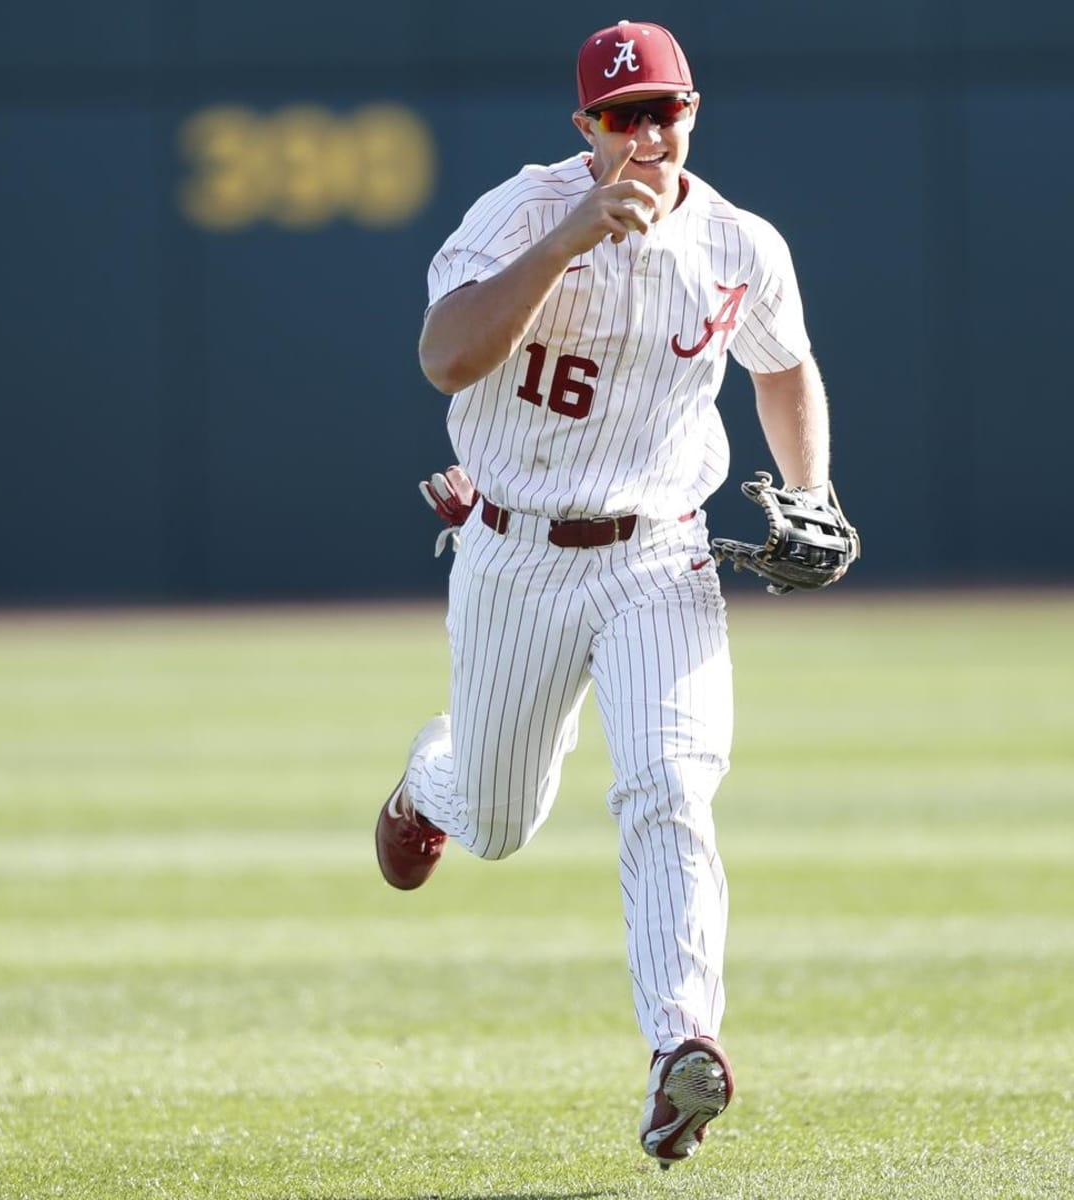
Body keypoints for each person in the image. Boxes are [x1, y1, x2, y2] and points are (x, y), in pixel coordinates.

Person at [376, 19, 837, 1167]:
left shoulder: (737, 242)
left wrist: (812, 489)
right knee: (496, 822)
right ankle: (433, 778)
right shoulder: (522, 214)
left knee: (673, 784)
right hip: (515, 550)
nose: (646, 134)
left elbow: (781, 362)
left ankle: (681, 1052)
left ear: (693, 111)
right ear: (583, 127)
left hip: (661, 553)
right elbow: (445, 355)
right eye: (621, 116)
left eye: (664, 110)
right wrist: (571, 238)